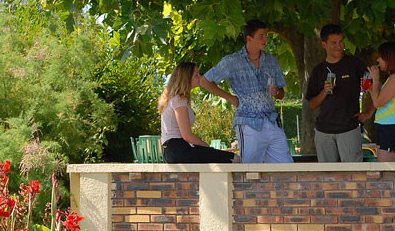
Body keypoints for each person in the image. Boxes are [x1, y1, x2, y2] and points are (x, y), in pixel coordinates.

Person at [200, 19, 293, 164]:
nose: (265, 39)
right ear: (249, 39)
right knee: (249, 170)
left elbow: (281, 94)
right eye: (261, 36)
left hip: (272, 121)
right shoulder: (232, 61)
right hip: (248, 123)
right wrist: (230, 98)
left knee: (286, 167)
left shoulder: (272, 60)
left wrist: (276, 92)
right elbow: (204, 80)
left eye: (266, 35)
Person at [305, 24, 375, 162]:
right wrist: (325, 91)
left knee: (353, 175)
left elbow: (375, 87)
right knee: (328, 177)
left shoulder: (355, 64)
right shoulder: (318, 71)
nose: (339, 46)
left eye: (341, 41)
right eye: (334, 43)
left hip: (349, 129)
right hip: (323, 132)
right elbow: (312, 104)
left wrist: (369, 112)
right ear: (324, 44)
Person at [158, 62, 238, 164]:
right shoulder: (179, 100)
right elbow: (187, 135)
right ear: (186, 78)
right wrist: (208, 148)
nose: (200, 77)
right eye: (196, 74)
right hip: (179, 150)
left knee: (226, 159)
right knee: (234, 158)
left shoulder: (174, 99)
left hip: (174, 150)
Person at [369, 42, 395, 162]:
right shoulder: (392, 78)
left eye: (380, 57)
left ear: (389, 58)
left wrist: (376, 80)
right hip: (386, 127)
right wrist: (371, 87)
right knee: (384, 169)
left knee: (388, 171)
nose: (377, 60)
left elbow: (377, 103)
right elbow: (378, 98)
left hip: (392, 128)